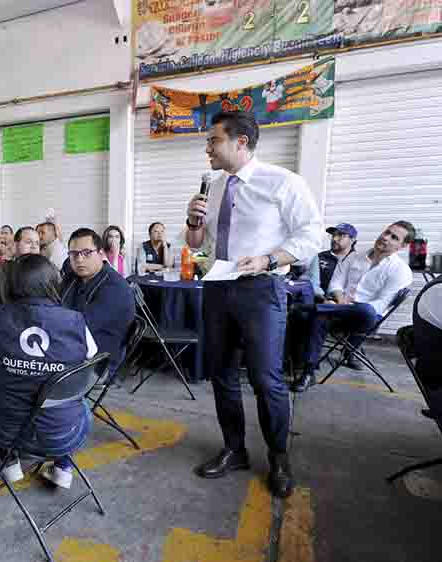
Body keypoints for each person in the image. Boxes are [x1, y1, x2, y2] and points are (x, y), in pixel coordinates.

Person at [185, 111, 322, 498]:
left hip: (261, 288)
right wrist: (193, 223)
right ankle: (234, 448)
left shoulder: (283, 182)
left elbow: (312, 235)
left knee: (265, 378)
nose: (207, 147)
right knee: (222, 373)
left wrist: (270, 258)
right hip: (216, 288)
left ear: (240, 142)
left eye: (213, 140)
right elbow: (197, 245)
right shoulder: (212, 186)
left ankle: (279, 456)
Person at [0, 254, 98, 489]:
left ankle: (10, 462)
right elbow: (92, 354)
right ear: (52, 282)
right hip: (63, 432)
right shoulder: (74, 320)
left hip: (8, 431)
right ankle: (63, 467)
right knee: (72, 399)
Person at [292, 221, 415, 392]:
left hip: (365, 317)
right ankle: (308, 372)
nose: (386, 237)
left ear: (403, 245)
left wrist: (344, 305)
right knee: (320, 316)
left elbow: (381, 305)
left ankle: (316, 308)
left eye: (394, 237)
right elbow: (336, 282)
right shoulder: (354, 256)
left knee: (365, 310)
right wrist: (339, 298)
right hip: (339, 310)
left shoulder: (401, 271)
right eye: (387, 232)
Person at [61, 228, 135, 379]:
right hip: (71, 348)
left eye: (87, 253)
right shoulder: (74, 277)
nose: (79, 259)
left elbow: (80, 329)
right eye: (74, 254)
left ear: (101, 254)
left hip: (97, 363)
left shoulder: (115, 288)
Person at [0, 226, 40, 305]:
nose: (34, 247)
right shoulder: (0, 270)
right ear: (16, 245)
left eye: (37, 243)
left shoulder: (45, 270)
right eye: (29, 242)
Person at [312, 223, 357, 299]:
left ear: (352, 240)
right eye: (333, 235)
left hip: (347, 304)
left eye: (341, 235)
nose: (335, 239)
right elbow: (311, 282)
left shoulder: (358, 261)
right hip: (319, 302)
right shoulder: (319, 257)